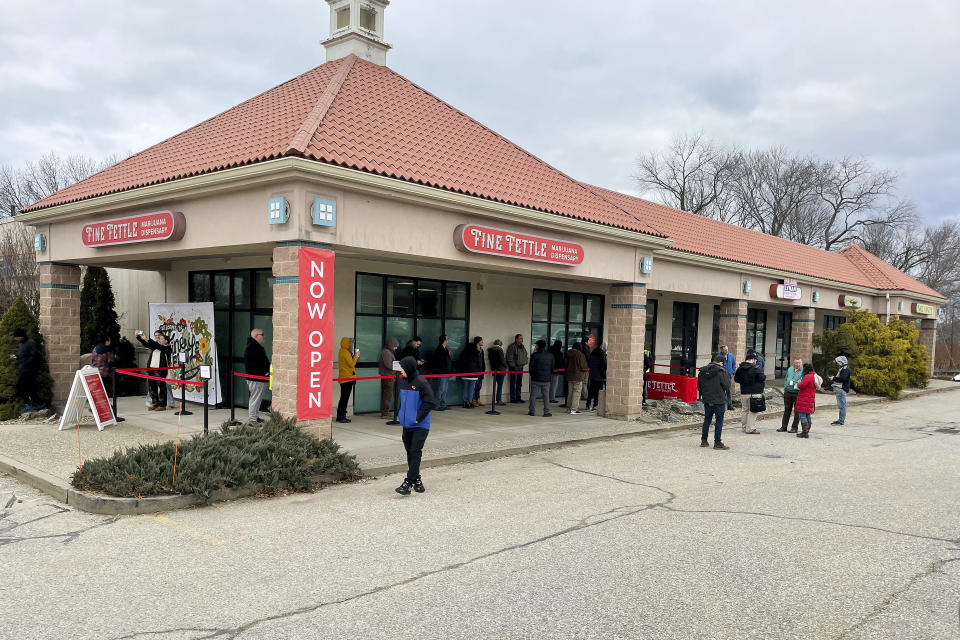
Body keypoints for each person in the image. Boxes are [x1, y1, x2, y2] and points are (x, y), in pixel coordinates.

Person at [394, 356, 436, 495]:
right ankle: (417, 479)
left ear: (409, 369)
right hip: (407, 425)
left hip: (420, 425)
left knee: (415, 452)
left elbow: (430, 402)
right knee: (410, 453)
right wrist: (400, 414)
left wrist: (418, 418)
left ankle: (407, 483)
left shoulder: (421, 383)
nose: (400, 371)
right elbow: (402, 401)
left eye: (402, 368)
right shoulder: (403, 381)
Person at [697, 352, 731, 449]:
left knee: (707, 419)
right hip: (719, 399)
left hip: (707, 399)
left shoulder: (702, 371)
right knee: (719, 421)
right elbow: (727, 386)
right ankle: (717, 442)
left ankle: (704, 440)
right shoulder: (721, 371)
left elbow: (699, 386)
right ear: (721, 362)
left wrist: (704, 394)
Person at [136, 329, 173, 411]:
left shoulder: (167, 348)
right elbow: (146, 344)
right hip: (152, 370)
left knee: (162, 388)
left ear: (166, 341)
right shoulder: (155, 347)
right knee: (152, 388)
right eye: (159, 339)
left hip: (161, 371)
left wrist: (147, 338)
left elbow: (157, 345)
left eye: (161, 339)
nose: (159, 340)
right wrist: (138, 336)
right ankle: (155, 403)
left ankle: (163, 404)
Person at [10, 328, 43, 411]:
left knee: (21, 387)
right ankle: (35, 404)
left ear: (21, 336)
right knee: (28, 388)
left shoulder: (31, 343)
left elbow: (34, 356)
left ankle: (32, 404)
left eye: (16, 337)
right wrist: (17, 357)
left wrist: (26, 363)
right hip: (23, 369)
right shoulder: (21, 344)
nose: (15, 339)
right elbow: (23, 356)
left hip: (30, 370)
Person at [242, 329, 271, 424]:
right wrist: (264, 372)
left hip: (259, 378)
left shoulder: (255, 346)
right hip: (256, 378)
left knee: (258, 399)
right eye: (262, 334)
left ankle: (255, 416)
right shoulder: (252, 347)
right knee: (255, 398)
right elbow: (254, 364)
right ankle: (252, 419)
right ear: (256, 336)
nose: (263, 336)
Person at [734, 352, 765, 434]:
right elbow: (762, 377)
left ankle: (744, 427)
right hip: (754, 392)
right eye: (755, 359)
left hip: (744, 392)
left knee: (745, 410)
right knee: (753, 410)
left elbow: (736, 379)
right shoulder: (756, 368)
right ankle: (750, 428)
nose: (756, 361)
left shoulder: (740, 368)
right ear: (753, 359)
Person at [527, 340, 554, 417]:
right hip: (546, 379)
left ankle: (531, 411)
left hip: (535, 379)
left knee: (533, 395)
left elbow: (531, 368)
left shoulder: (534, 355)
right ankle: (546, 412)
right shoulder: (550, 355)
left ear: (538, 346)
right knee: (546, 396)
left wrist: (533, 375)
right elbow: (552, 368)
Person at [336, 337, 359, 424]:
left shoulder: (342, 351)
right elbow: (351, 365)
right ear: (347, 344)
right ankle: (341, 416)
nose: (351, 345)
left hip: (345, 377)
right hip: (347, 378)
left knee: (343, 398)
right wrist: (356, 356)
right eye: (350, 343)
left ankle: (341, 415)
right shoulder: (345, 352)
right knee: (344, 399)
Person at [427, 335, 453, 410]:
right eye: (447, 339)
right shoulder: (439, 350)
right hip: (442, 372)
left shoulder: (446, 349)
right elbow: (439, 362)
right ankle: (437, 405)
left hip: (447, 372)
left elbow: (448, 361)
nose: (448, 341)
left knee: (445, 390)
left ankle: (443, 404)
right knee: (440, 389)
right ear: (444, 341)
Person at [457, 336, 484, 409]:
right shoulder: (476, 352)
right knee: (471, 388)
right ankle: (469, 402)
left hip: (464, 372)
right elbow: (479, 363)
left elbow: (460, 360)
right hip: (473, 372)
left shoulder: (465, 351)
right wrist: (480, 372)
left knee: (465, 387)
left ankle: (465, 402)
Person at [778, 357, 803, 433]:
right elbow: (786, 378)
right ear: (793, 363)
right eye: (796, 363)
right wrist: (785, 386)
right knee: (787, 410)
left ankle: (794, 427)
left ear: (801, 363)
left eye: (799, 363)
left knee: (797, 411)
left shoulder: (804, 371)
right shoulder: (790, 369)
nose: (798, 364)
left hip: (797, 392)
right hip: (788, 391)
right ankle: (784, 426)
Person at [795, 363, 818, 438]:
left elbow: (802, 385)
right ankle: (807, 430)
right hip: (810, 398)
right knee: (807, 414)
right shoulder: (814, 376)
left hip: (804, 398)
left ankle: (804, 432)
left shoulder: (808, 377)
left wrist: (798, 383)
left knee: (802, 415)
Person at [564, 342, 588, 414]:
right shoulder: (580, 354)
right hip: (578, 376)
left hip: (569, 376)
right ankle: (574, 409)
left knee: (570, 392)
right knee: (577, 392)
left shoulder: (568, 353)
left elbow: (565, 364)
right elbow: (583, 366)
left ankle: (569, 407)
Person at [378, 338, 399, 418]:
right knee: (387, 395)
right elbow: (388, 365)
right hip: (388, 376)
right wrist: (398, 367)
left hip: (388, 376)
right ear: (391, 345)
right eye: (395, 346)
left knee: (387, 395)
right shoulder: (386, 352)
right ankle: (385, 413)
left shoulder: (388, 352)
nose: (396, 348)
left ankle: (385, 412)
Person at [505, 333, 528, 403]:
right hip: (514, 367)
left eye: (522, 338)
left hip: (521, 367)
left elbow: (525, 355)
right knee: (513, 383)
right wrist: (513, 366)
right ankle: (513, 398)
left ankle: (518, 397)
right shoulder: (512, 346)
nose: (522, 340)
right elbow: (509, 357)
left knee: (519, 383)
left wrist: (525, 362)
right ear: (516, 339)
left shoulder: (523, 347)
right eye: (520, 338)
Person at [829, 355, 851, 426]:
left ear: (841, 362)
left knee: (842, 406)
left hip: (842, 389)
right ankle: (840, 420)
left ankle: (841, 421)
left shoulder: (846, 369)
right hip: (840, 390)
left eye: (838, 362)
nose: (837, 364)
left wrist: (834, 378)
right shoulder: (843, 368)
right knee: (841, 405)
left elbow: (843, 379)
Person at [586, 342, 607, 412]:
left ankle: (588, 404)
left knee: (591, 391)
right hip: (599, 377)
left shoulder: (592, 355)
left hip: (592, 376)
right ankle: (595, 405)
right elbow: (605, 365)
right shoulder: (602, 355)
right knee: (597, 392)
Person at [487, 339, 507, 406]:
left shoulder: (490, 351)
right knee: (500, 385)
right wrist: (506, 365)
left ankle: (495, 400)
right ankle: (499, 400)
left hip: (494, 369)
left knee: (495, 385)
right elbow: (502, 360)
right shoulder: (499, 350)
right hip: (501, 369)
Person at [720, 345, 736, 410]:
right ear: (722, 350)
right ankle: (722, 405)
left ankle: (730, 405)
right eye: (725, 350)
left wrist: (733, 371)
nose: (726, 351)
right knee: (721, 391)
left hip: (728, 376)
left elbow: (734, 364)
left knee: (728, 390)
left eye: (727, 350)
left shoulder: (731, 356)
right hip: (721, 376)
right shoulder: (719, 356)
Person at [473, 338, 487, 407]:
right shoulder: (474, 350)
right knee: (475, 386)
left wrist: (483, 369)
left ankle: (477, 399)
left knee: (479, 386)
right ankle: (473, 400)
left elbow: (482, 361)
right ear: (478, 342)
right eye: (481, 341)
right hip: (476, 371)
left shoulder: (481, 350)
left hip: (481, 370)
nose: (483, 342)